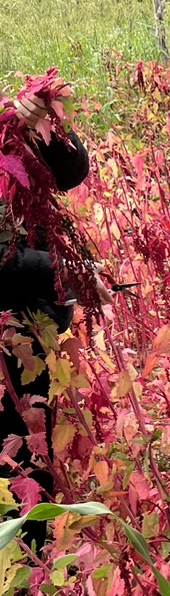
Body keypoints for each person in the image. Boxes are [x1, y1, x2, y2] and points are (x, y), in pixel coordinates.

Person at [1, 84, 90, 516]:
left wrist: (41, 128)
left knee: (31, 456)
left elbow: (70, 171)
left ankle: (34, 568)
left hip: (29, 324)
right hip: (11, 319)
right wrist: (55, 270)